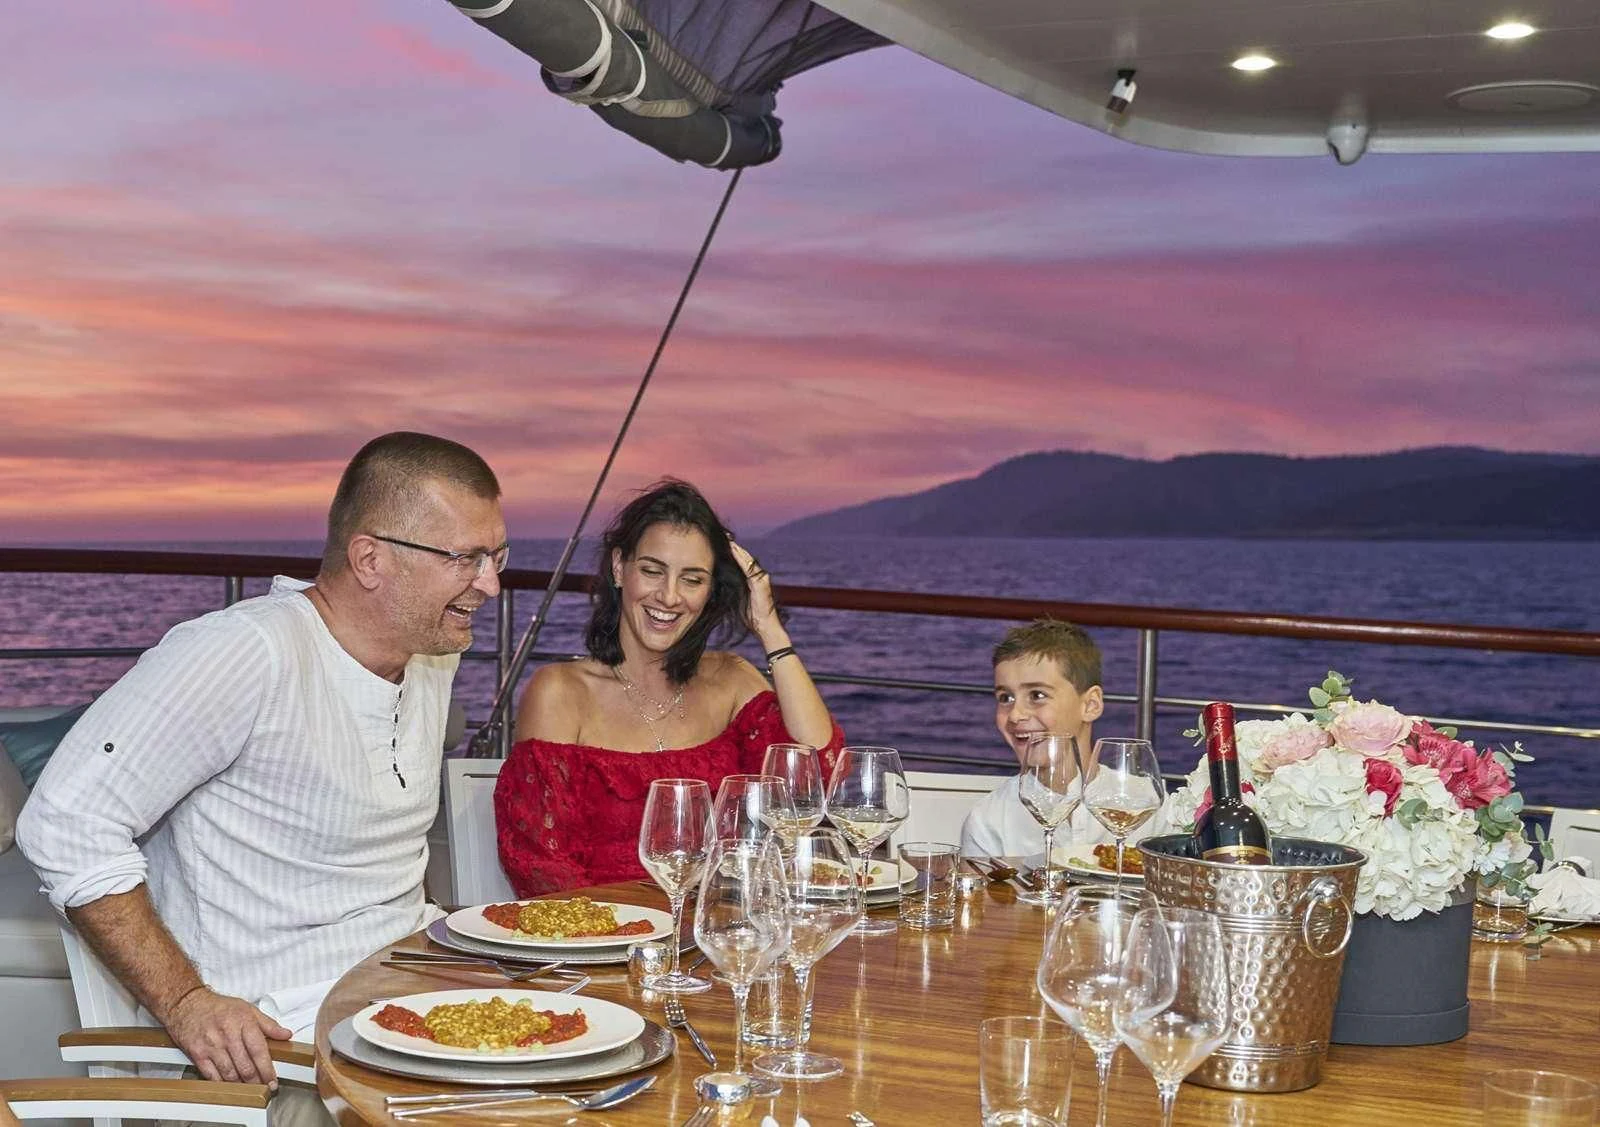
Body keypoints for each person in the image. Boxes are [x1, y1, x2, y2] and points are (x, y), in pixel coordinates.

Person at [16, 432, 505, 1098]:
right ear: (370, 558)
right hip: (285, 1060)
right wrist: (187, 1001)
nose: (492, 583)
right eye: (467, 558)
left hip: (410, 1012)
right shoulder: (246, 653)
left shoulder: (431, 656)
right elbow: (62, 819)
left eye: (496, 555)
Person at [495, 479, 842, 895]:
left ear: (711, 589)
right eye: (652, 571)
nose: (670, 597)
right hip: (600, 942)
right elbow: (541, 865)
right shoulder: (560, 692)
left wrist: (769, 627)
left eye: (692, 579)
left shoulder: (732, 679)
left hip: (719, 938)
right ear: (619, 567)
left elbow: (817, 778)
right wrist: (626, 937)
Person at [962, 618, 1166, 859]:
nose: (1015, 715)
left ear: (1090, 705)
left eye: (1037, 695)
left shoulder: (1145, 802)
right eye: (1006, 698)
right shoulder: (989, 821)